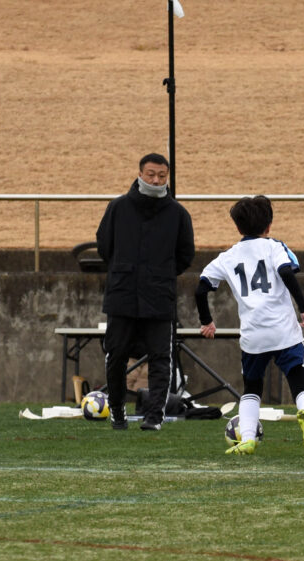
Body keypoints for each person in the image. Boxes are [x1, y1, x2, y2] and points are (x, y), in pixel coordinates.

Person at [195, 195, 304, 455]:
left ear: (238, 227)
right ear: (269, 225)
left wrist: (207, 321)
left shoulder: (227, 256)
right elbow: (287, 272)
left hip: (253, 335)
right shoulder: (274, 247)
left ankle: (248, 438)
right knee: (299, 385)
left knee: (251, 390)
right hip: (284, 331)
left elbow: (201, 288)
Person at [96, 153, 195, 431]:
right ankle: (117, 411)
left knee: (161, 358)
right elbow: (104, 246)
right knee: (116, 356)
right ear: (140, 174)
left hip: (159, 296)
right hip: (122, 294)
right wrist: (124, 270)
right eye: (151, 174)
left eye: (162, 175)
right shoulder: (118, 207)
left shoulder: (178, 214)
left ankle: (154, 417)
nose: (156, 180)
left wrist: (160, 274)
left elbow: (185, 254)